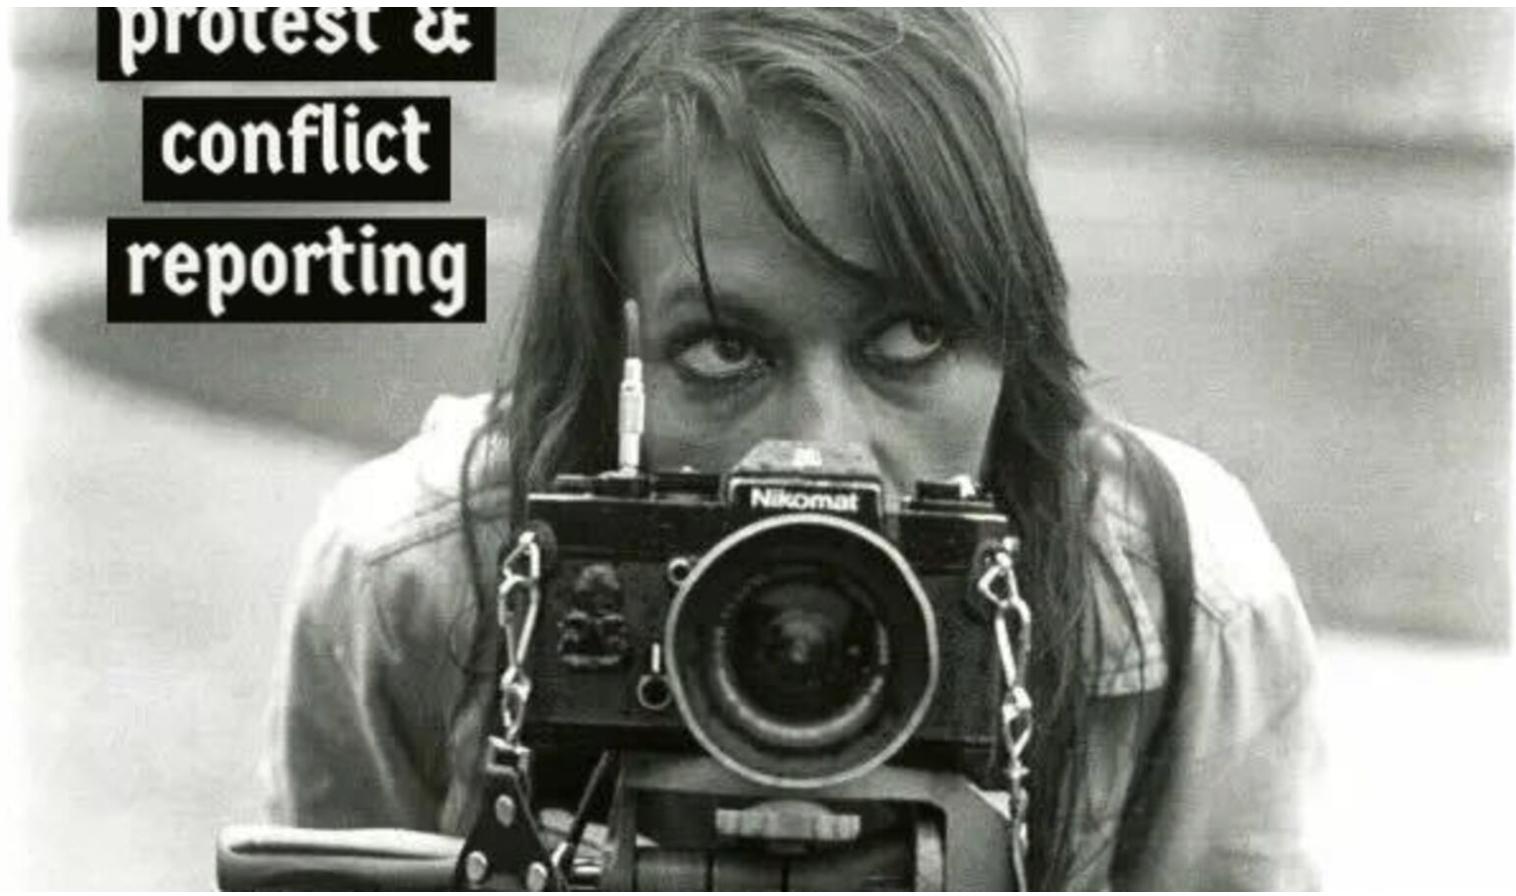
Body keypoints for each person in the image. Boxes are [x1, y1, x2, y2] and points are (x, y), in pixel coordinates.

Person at [263, 9, 1320, 890]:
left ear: (1015, 337)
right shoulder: (410, 579)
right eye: (724, 349)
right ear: (603, 362)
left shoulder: (1184, 593)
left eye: (911, 337)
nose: (820, 450)